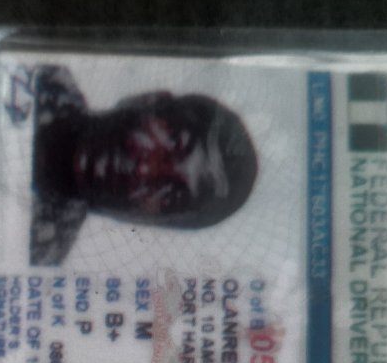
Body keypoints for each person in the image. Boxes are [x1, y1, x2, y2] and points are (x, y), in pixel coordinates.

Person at [30, 65, 259, 265]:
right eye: (172, 141)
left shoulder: (39, 254)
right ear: (148, 100)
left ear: (149, 221)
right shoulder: (39, 77)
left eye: (171, 196)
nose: (144, 170)